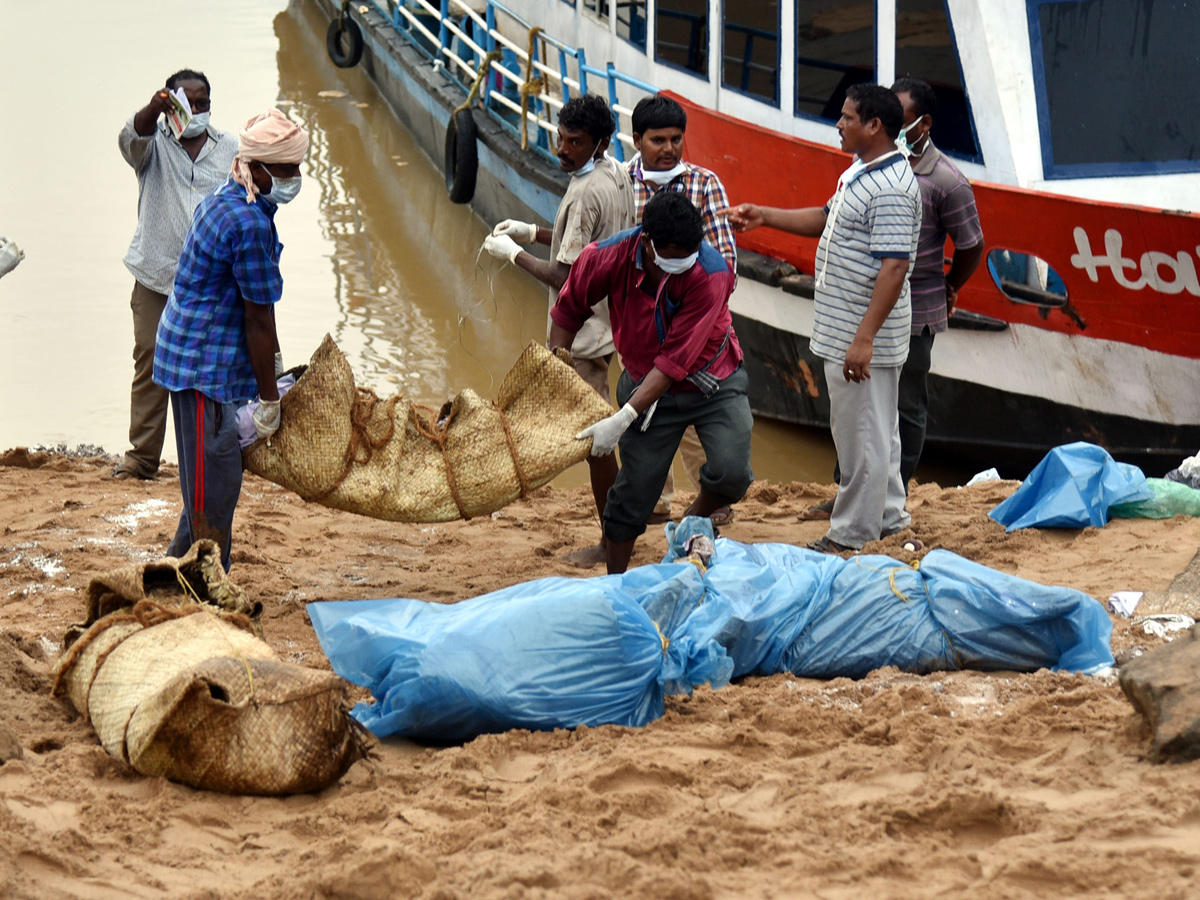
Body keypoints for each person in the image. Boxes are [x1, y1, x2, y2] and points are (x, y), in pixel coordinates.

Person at [723, 83, 921, 553]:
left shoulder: (891, 186)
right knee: (878, 429)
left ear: (874, 126)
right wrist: (764, 216)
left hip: (860, 331)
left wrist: (864, 339)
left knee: (860, 435)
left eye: (848, 117)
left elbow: (895, 267)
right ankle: (890, 516)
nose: (839, 123)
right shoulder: (862, 170)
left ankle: (852, 533)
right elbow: (825, 218)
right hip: (847, 327)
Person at [802, 77, 984, 521]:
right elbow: (830, 220)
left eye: (903, 119)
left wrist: (948, 286)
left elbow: (968, 246)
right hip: (872, 307)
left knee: (891, 413)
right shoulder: (871, 169)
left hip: (909, 308)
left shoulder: (940, 180)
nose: (840, 125)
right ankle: (873, 504)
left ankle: (861, 517)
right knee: (877, 420)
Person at [550, 191, 753, 574]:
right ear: (647, 242)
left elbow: (675, 362)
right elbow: (567, 310)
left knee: (733, 472)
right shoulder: (606, 256)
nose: (680, 266)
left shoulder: (711, 275)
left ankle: (695, 517)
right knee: (633, 494)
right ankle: (617, 580)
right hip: (644, 377)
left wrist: (623, 416)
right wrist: (556, 370)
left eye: (687, 257)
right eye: (670, 257)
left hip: (713, 379)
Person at [482, 94, 635, 567]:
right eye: (561, 138)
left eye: (575, 142)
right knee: (596, 432)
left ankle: (612, 541)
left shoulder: (587, 191)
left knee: (596, 441)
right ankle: (620, 526)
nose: (562, 149)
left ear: (600, 142)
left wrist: (513, 254)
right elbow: (584, 244)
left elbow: (567, 277)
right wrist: (534, 231)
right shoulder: (614, 172)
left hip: (584, 334)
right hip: (610, 324)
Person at [153, 108, 308, 571]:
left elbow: (260, 310)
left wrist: (273, 369)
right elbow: (257, 318)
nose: (296, 177)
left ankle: (178, 571)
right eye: (287, 169)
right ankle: (200, 582)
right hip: (205, 369)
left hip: (196, 353)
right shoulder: (250, 223)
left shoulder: (230, 195)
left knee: (209, 484)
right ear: (259, 167)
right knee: (213, 487)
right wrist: (270, 399)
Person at [114, 70, 238, 481]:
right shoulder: (152, 146)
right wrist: (151, 110)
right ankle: (142, 458)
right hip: (156, 274)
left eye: (203, 103)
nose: (197, 111)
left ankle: (216, 453)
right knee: (150, 358)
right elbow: (128, 140)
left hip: (209, 282)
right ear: (171, 105)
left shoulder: (230, 150)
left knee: (209, 368)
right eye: (188, 104)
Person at [626, 94, 739, 526]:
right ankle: (656, 501)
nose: (669, 148)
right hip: (640, 322)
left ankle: (713, 497)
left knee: (694, 407)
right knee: (645, 406)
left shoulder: (704, 184)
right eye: (658, 140)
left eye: (676, 139)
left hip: (695, 324)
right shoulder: (621, 183)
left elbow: (726, 261)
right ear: (637, 140)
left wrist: (700, 311)